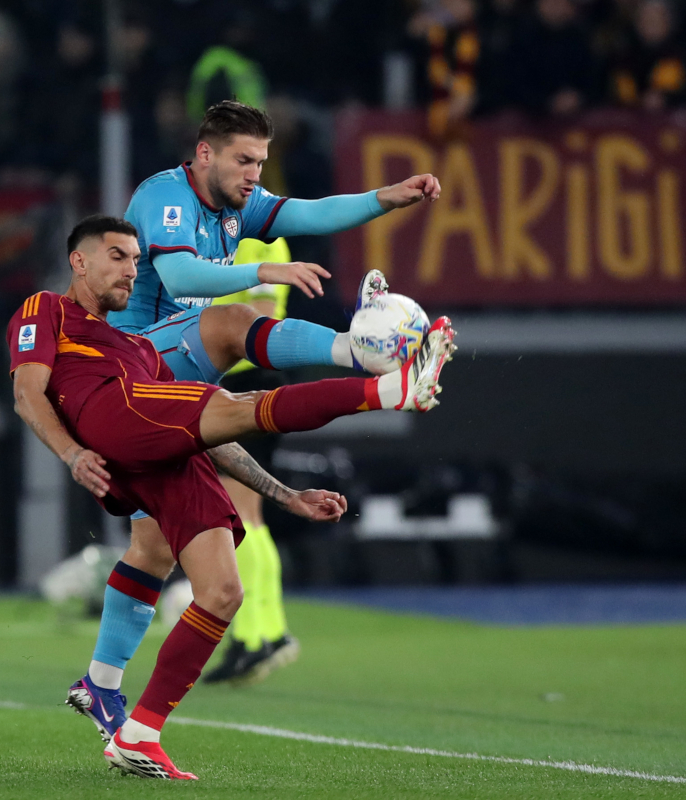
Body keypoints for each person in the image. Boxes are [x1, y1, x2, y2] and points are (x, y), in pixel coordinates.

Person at [9, 215, 456, 779]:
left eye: (135, 260)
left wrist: (284, 494)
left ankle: (138, 733)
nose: (131, 270)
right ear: (79, 262)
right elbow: (28, 395)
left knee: (221, 592)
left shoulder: (139, 349)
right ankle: (386, 388)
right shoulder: (45, 309)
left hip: (143, 438)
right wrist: (71, 453)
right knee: (239, 402)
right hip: (106, 412)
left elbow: (212, 434)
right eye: (117, 257)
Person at [80, 99, 441, 735]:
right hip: (130, 370)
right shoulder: (166, 197)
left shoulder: (238, 204)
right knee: (232, 320)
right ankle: (358, 354)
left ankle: (101, 685)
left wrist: (385, 197)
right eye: (244, 160)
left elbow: (310, 213)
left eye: (261, 162)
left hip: (170, 387)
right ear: (205, 154)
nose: (254, 173)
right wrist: (263, 267)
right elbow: (182, 270)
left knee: (155, 546)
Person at [203, 237, 297, 686]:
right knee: (249, 516)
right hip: (231, 386)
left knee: (240, 515)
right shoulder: (217, 235)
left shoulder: (263, 242)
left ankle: (253, 636)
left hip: (248, 386)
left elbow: (264, 322)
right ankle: (268, 632)